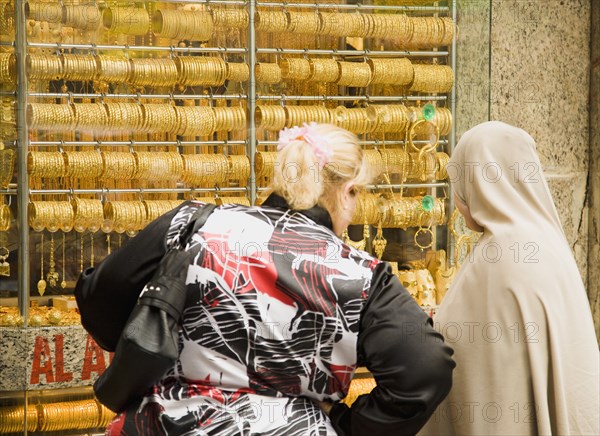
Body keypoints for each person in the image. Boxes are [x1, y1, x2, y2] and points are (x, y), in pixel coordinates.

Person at [75, 123, 455, 435]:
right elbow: (427, 369)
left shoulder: (191, 224)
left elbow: (98, 300)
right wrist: (345, 426)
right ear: (346, 190)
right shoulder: (360, 275)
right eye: (357, 197)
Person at [419, 121, 600, 436]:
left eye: (460, 183)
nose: (458, 202)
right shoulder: (548, 240)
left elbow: (465, 357)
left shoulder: (498, 256)